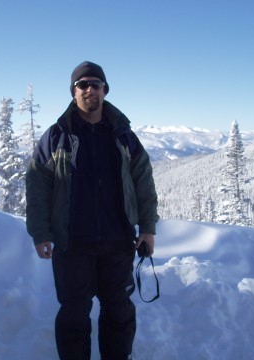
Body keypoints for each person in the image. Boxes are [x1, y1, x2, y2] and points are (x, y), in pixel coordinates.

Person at [26, 61, 159, 360]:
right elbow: (37, 187)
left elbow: (144, 184)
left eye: (95, 84)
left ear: (104, 90)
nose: (89, 89)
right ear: (73, 92)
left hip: (118, 242)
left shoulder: (123, 135)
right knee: (73, 315)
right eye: (82, 84)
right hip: (72, 243)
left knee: (119, 312)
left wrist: (148, 228)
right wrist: (40, 232)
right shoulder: (56, 136)